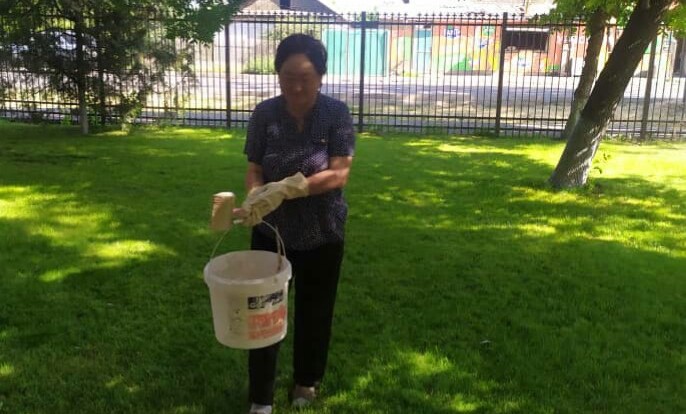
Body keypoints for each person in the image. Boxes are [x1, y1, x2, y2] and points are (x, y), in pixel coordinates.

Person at [233, 33, 356, 414]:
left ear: (321, 76)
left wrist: (289, 188)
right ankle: (261, 398)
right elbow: (254, 168)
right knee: (263, 314)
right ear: (278, 75)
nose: (297, 86)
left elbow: (339, 174)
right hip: (271, 233)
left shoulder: (336, 114)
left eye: (305, 77)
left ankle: (306, 383)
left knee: (315, 312)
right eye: (288, 77)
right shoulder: (264, 114)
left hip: (323, 231)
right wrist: (256, 196)